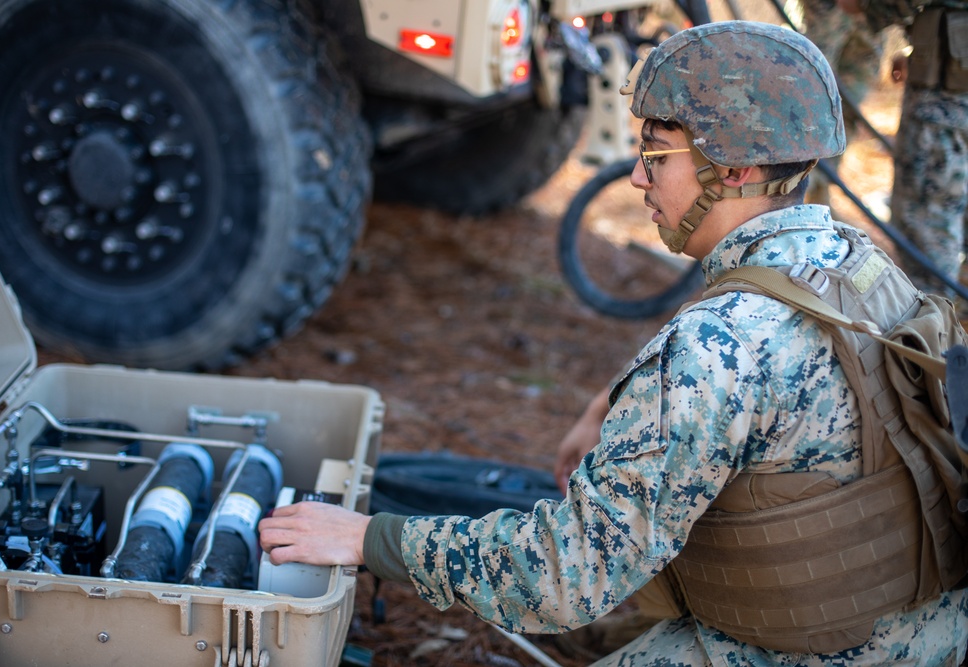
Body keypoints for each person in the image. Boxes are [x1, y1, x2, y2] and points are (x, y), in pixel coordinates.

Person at [259, 22, 968, 665]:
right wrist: (615, 398)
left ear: (738, 169)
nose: (636, 176)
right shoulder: (855, 260)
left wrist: (367, 539)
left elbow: (565, 577)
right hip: (916, 618)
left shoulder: (712, 347)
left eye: (657, 154)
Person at [838, 0, 968, 298]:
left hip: (946, 98)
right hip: (948, 72)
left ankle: (932, 326)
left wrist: (867, 7)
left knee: (925, 222)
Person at [800, 0, 886, 207]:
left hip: (872, 11)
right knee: (807, 95)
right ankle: (795, 194)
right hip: (825, 11)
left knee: (847, 106)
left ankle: (820, 193)